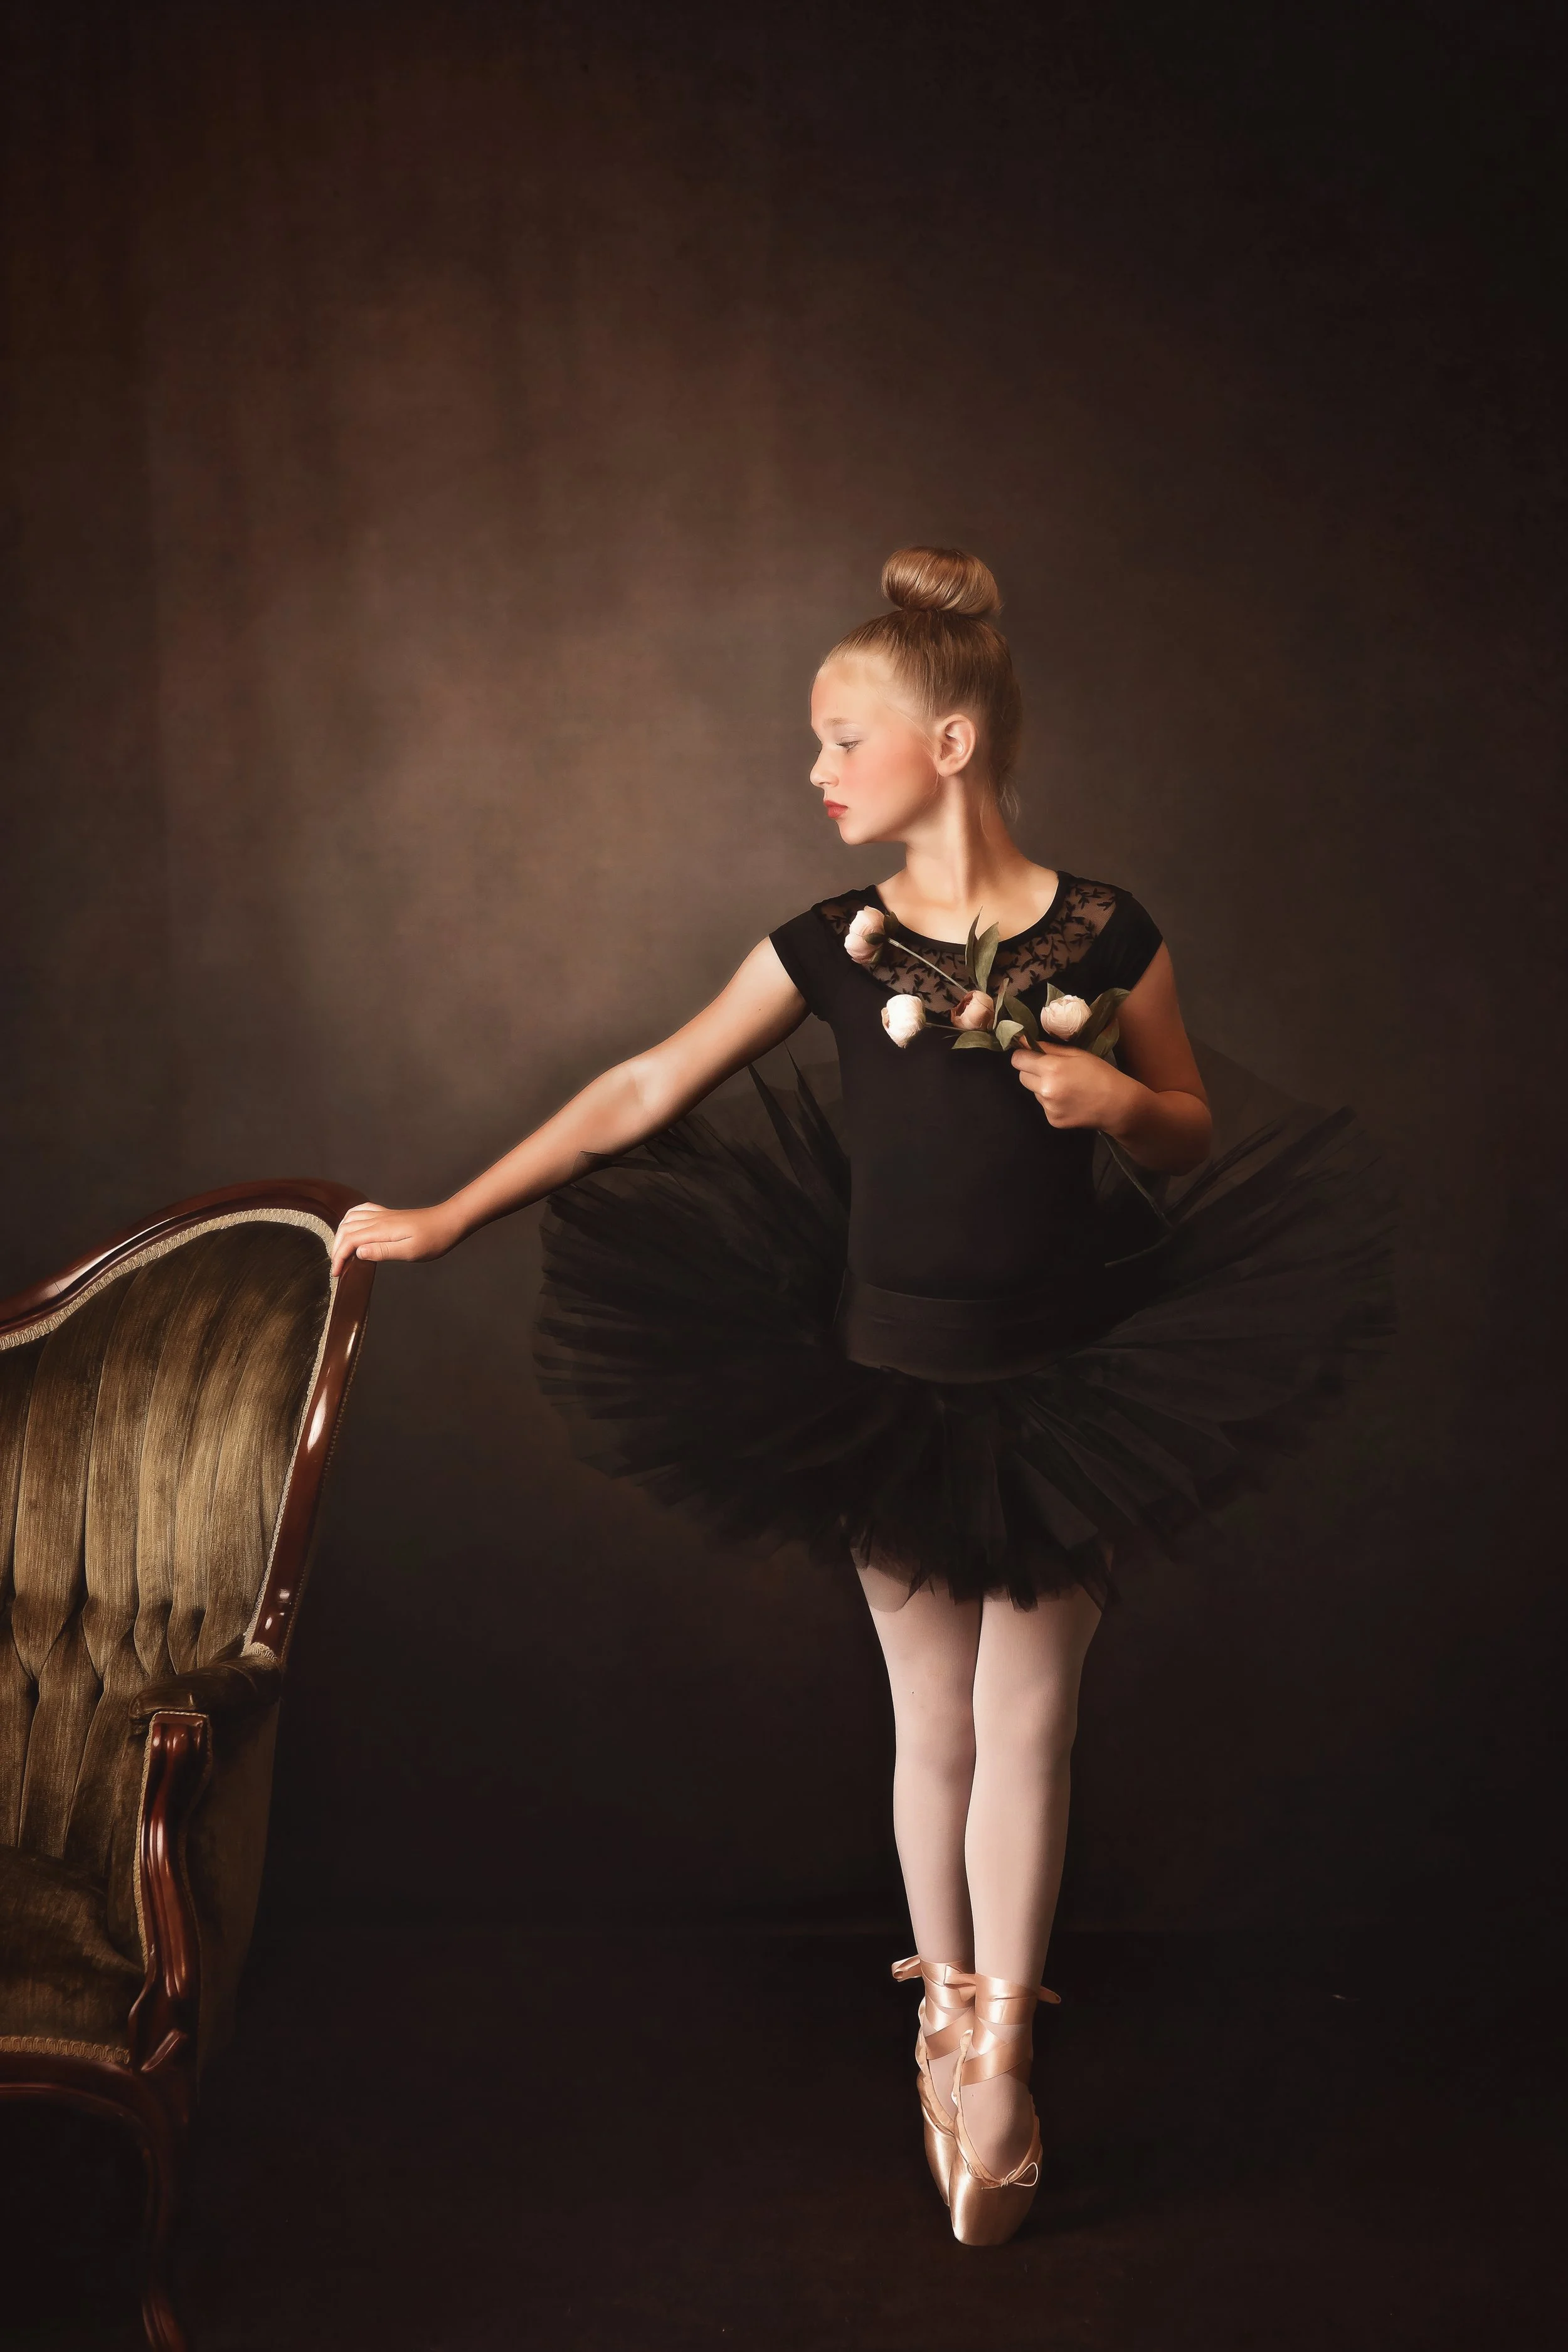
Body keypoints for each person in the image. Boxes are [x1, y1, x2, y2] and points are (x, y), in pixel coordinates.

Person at [332, 546, 1393, 2247]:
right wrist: (454, 1209)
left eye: (842, 736)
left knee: (1032, 1716)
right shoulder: (832, 943)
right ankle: (945, 1999)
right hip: (882, 1380)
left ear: (950, 741)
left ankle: (1000, 2064)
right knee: (934, 1712)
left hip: (1070, 1383)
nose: (815, 770)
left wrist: (1113, 1097)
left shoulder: (1105, 929)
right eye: (814, 743)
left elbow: (1192, 1125)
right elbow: (642, 1082)